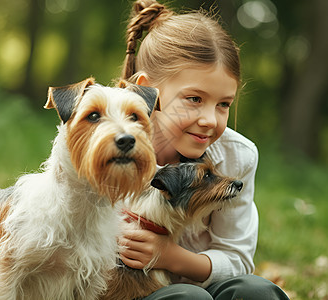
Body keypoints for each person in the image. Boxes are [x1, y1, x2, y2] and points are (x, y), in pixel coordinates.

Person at [118, 0, 290, 299]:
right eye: (195, 99)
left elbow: (236, 258)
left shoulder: (237, 156)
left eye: (224, 104)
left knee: (257, 291)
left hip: (205, 284)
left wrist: (170, 256)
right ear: (148, 91)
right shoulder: (111, 148)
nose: (210, 120)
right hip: (131, 290)